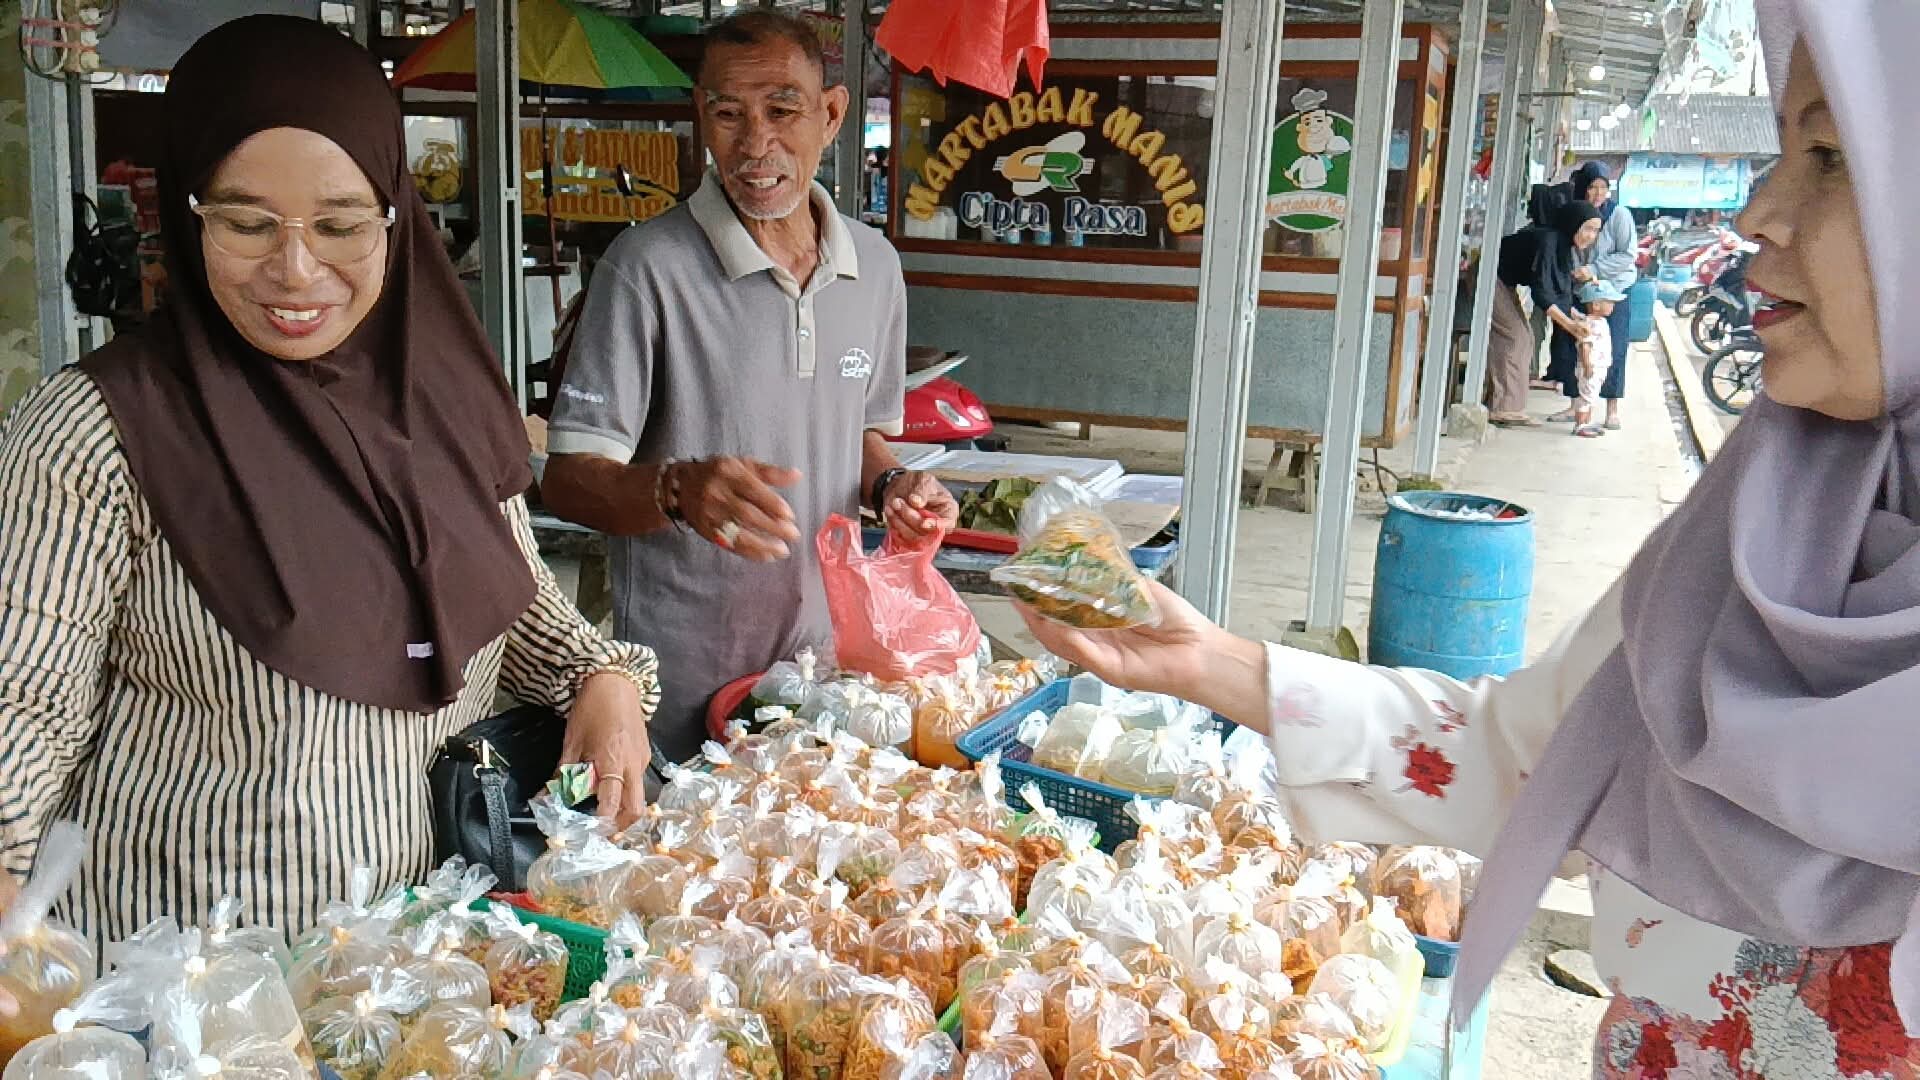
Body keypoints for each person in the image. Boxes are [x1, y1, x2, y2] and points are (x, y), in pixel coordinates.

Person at [1015, 4, 1920, 1072]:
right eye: (1784, 151)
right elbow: (1528, 757)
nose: (1761, 212)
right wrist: (1210, 663)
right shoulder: (1757, 519)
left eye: (1831, 157)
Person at [0, 16, 660, 964]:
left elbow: (517, 603)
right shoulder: (99, 430)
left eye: (342, 225)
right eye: (245, 223)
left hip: (428, 964)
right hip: (196, 981)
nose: (296, 270)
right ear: (187, 216)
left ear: (395, 217)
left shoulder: (447, 400)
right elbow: (26, 698)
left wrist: (603, 677)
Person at [540, 11, 959, 764]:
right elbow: (568, 482)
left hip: (823, 670)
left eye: (782, 110)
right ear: (701, 115)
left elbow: (857, 433)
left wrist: (894, 484)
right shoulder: (645, 268)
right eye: (728, 114)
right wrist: (674, 489)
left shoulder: (874, 266)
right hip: (677, 680)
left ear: (832, 114)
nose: (755, 143)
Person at [1488, 197, 1601, 427]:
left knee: (1525, 338)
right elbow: (1542, 294)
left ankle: (1508, 407)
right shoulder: (1548, 241)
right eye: (1588, 228)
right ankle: (1503, 409)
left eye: (1596, 231)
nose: (1591, 236)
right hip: (1488, 277)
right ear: (1573, 223)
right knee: (1515, 337)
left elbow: (1561, 293)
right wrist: (1570, 325)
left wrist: (1575, 318)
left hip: (1504, 283)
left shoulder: (1564, 247)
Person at [1554, 161, 1638, 429]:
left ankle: (1612, 409)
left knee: (1614, 349)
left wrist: (1593, 270)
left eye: (1603, 187)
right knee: (1575, 345)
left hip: (1613, 292)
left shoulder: (1619, 215)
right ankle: (1575, 405)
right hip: (1581, 292)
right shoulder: (1575, 213)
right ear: (1582, 188)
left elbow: (1628, 255)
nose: (1598, 194)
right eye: (1592, 187)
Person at [1571, 281, 1625, 438]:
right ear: (1596, 305)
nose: (1613, 305)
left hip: (1599, 367)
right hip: (1591, 367)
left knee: (1591, 396)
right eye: (1610, 302)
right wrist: (1587, 365)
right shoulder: (1589, 324)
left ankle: (1586, 422)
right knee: (1586, 397)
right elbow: (1585, 346)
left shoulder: (1600, 322)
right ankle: (1580, 425)